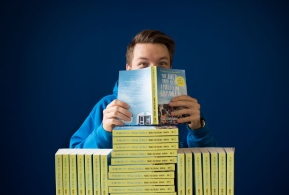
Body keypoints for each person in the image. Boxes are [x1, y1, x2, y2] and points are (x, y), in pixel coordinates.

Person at [70, 29, 216, 148]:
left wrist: (198, 129)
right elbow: (74, 159)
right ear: (129, 69)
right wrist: (104, 131)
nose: (152, 71)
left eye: (162, 64)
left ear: (170, 68)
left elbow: (210, 167)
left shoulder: (186, 110)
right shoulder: (106, 106)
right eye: (143, 64)